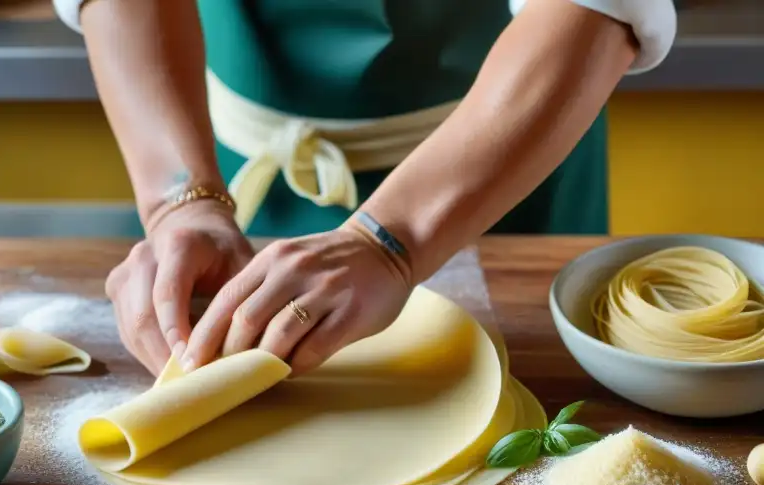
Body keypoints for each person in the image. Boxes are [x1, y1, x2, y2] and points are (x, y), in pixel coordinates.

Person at [53, 0, 676, 377]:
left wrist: (390, 242)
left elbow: (597, 7)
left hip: (511, 161)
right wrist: (177, 204)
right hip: (234, 164)